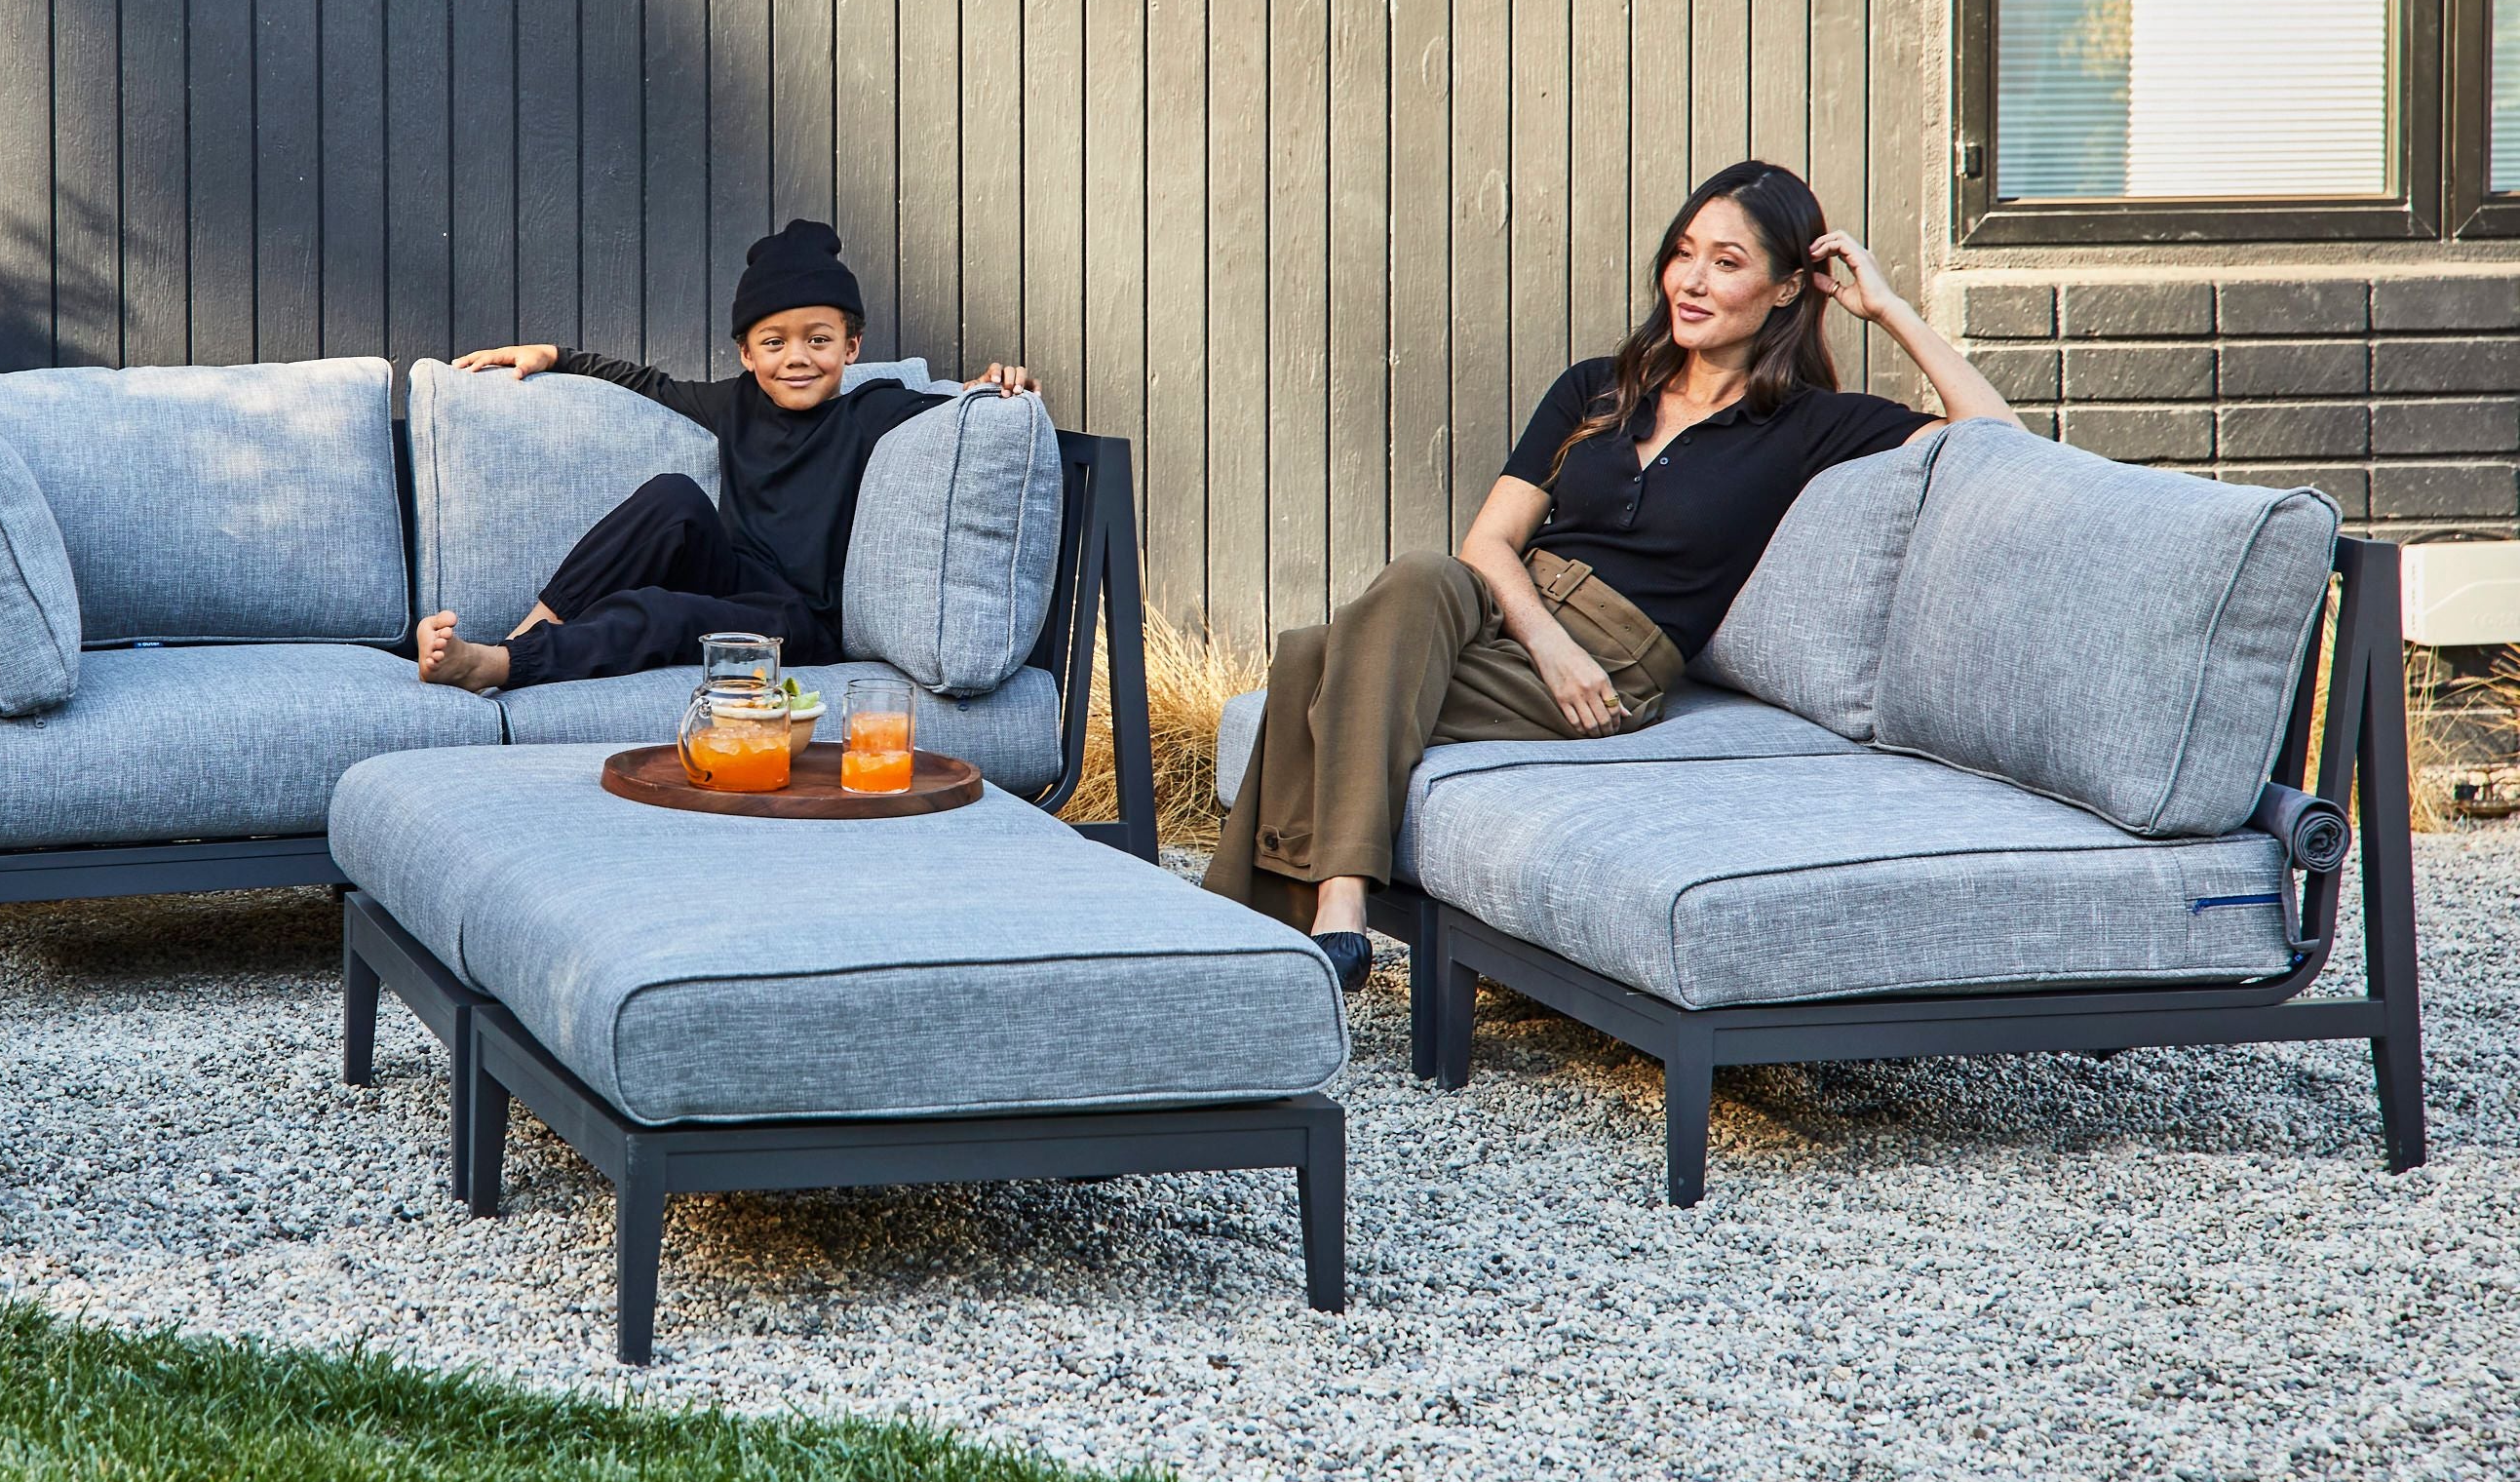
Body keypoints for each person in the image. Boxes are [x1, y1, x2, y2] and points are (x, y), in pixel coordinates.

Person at [1209, 160, 2024, 990]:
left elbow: (1996, 438)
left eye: (1727, 262)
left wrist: (1887, 309)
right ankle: (1338, 907)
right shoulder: (1597, 386)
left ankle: (1255, 940)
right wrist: (1548, 643)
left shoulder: (1810, 424)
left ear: (1787, 289)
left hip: (1614, 662)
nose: (1691, 280)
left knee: (1324, 664)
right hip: (1506, 608)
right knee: (1420, 573)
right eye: (1684, 252)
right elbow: (1488, 541)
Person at [417, 219, 1040, 692]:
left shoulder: (875, 408)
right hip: (737, 578)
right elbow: (648, 383)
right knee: (672, 496)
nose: (797, 357)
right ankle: (520, 640)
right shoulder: (736, 403)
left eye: (818, 339)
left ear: (851, 347)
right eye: (774, 342)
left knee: (659, 611)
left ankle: (502, 665)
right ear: (747, 354)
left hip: (802, 621)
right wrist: (555, 355)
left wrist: (995, 388)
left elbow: (959, 417)